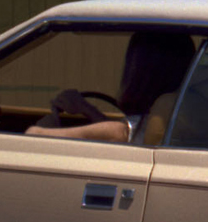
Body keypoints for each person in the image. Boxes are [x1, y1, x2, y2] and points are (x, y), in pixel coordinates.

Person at [24, 31, 197, 145]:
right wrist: (86, 108)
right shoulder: (184, 112)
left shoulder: (124, 130)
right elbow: (128, 131)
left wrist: (46, 125)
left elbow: (34, 135)